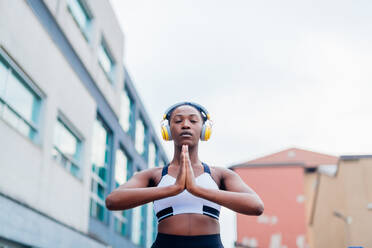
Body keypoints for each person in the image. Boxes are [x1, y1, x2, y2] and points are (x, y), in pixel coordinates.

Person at [105, 102, 264, 248]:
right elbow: (112, 200)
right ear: (167, 130)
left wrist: (197, 189)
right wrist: (174, 189)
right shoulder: (153, 175)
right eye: (178, 120)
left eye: (193, 121)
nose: (186, 125)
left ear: (203, 129)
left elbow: (256, 205)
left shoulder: (219, 174)